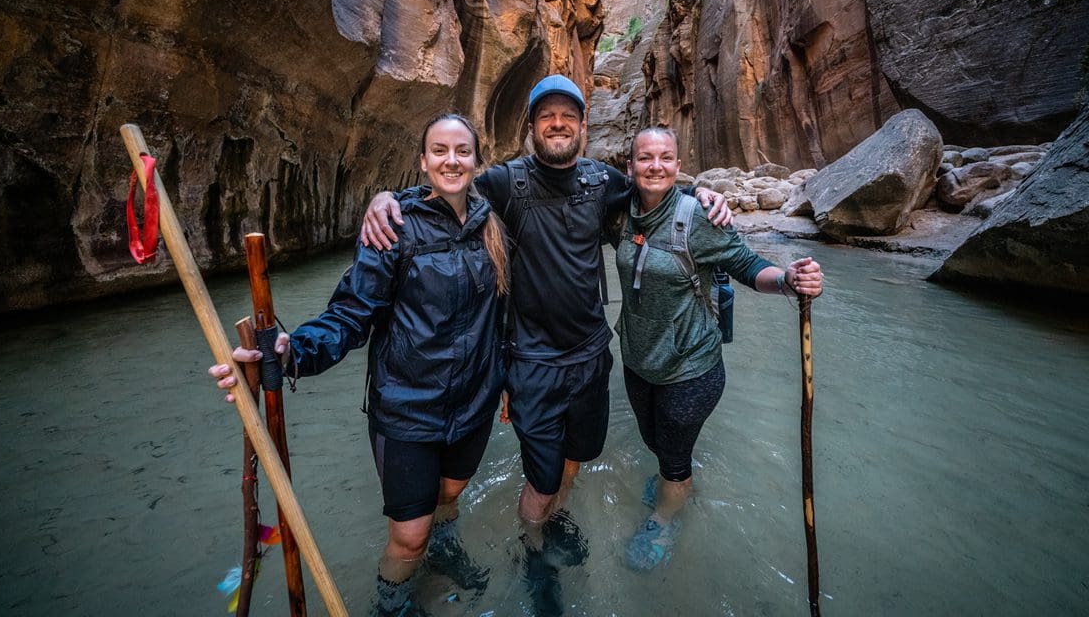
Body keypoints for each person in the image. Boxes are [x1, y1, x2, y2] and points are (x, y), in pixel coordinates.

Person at [359, 75, 731, 615]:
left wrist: (705, 194)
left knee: (576, 459)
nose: (558, 124)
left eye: (568, 116)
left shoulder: (602, 181)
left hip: (590, 356)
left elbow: (657, 190)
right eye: (546, 117)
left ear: (582, 126)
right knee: (541, 475)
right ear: (532, 127)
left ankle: (550, 522)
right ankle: (534, 554)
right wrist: (386, 199)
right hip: (530, 362)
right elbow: (449, 188)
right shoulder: (508, 182)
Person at [210, 114, 509, 616]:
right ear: (423, 161)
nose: (451, 160)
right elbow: (350, 315)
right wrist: (291, 352)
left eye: (462, 150)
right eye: (439, 150)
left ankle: (445, 550)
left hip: (474, 403)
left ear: (478, 161)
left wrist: (504, 384)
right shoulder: (392, 229)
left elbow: (500, 315)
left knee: (449, 496)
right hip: (408, 409)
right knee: (408, 538)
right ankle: (391, 607)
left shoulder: (490, 224)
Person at [615, 127, 824, 570]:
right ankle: (676, 479)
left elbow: (747, 265)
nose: (655, 166)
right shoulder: (621, 211)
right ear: (629, 165)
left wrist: (788, 279)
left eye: (666, 158)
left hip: (690, 369)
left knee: (672, 458)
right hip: (638, 361)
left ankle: (666, 519)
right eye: (645, 158)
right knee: (655, 440)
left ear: (677, 163)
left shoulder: (699, 218)